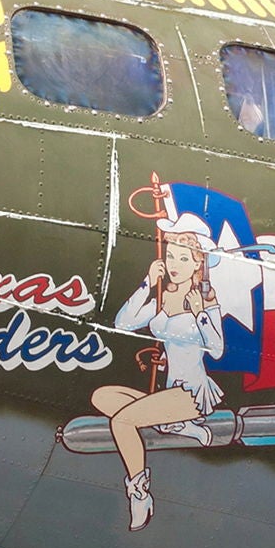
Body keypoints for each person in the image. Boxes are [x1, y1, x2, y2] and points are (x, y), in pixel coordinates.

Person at [90, 215, 226, 531]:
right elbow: (123, 323)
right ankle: (177, 425)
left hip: (191, 393)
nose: (174, 264)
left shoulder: (206, 300)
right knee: (102, 397)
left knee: (121, 421)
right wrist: (147, 284)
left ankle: (140, 493)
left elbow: (217, 349)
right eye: (170, 255)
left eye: (183, 258)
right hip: (169, 393)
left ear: (198, 263)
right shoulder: (163, 297)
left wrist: (200, 313)